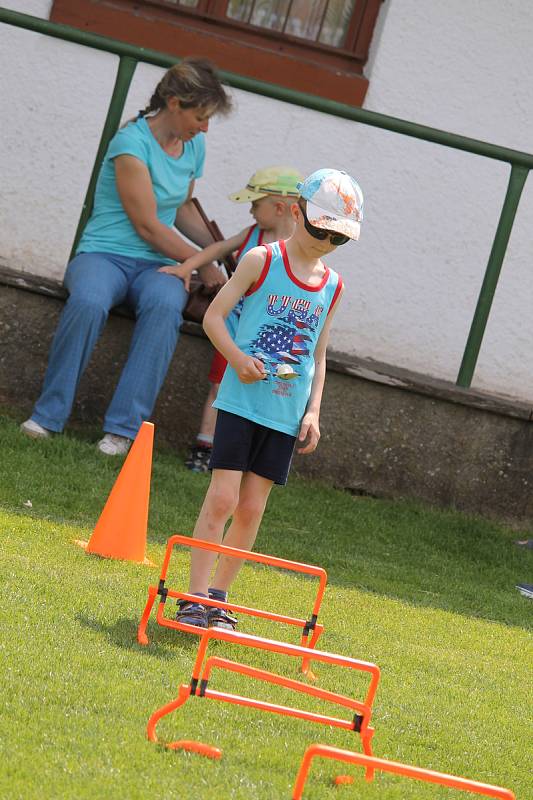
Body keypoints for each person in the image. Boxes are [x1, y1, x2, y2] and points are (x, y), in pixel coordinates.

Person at [173, 167, 364, 629]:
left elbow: (319, 356)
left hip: (283, 415)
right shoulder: (262, 259)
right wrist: (237, 359)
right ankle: (194, 596)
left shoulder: (333, 287)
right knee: (221, 499)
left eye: (337, 238)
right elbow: (215, 319)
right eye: (320, 229)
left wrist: (314, 410)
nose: (324, 242)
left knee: (252, 507)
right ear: (298, 214)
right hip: (241, 404)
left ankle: (218, 599)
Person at [21, 58, 231, 455]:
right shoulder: (130, 145)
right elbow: (148, 225)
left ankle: (122, 430)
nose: (204, 128)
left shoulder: (194, 145)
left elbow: (182, 208)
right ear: (174, 103)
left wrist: (225, 249)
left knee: (165, 305)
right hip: (104, 253)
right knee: (89, 301)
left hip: (159, 266)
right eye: (200, 117)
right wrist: (201, 263)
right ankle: (47, 416)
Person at [159, 165, 303, 472]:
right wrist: (186, 268)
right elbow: (219, 248)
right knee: (220, 386)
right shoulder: (253, 235)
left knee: (265, 392)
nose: (250, 210)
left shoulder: (299, 249)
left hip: (274, 341)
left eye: (255, 204)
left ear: (279, 208)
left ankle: (248, 455)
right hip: (233, 332)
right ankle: (204, 447)